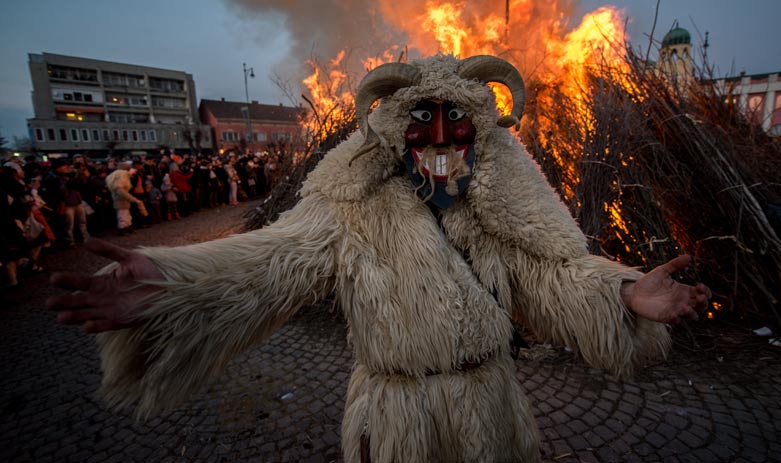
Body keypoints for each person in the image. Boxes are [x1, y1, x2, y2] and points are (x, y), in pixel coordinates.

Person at [48, 55, 710, 463]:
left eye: (459, 118)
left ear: (480, 127)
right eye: (425, 117)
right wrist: (169, 284)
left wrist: (623, 294)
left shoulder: (495, 211)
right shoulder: (352, 205)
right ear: (397, 129)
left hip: (492, 416)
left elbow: (553, 278)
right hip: (400, 426)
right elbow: (270, 263)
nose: (444, 133)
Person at [105, 161, 146, 236]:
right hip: (120, 199)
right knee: (122, 214)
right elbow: (120, 191)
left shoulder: (119, 175)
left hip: (123, 199)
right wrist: (131, 198)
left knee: (126, 214)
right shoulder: (121, 176)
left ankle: (127, 227)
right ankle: (122, 229)